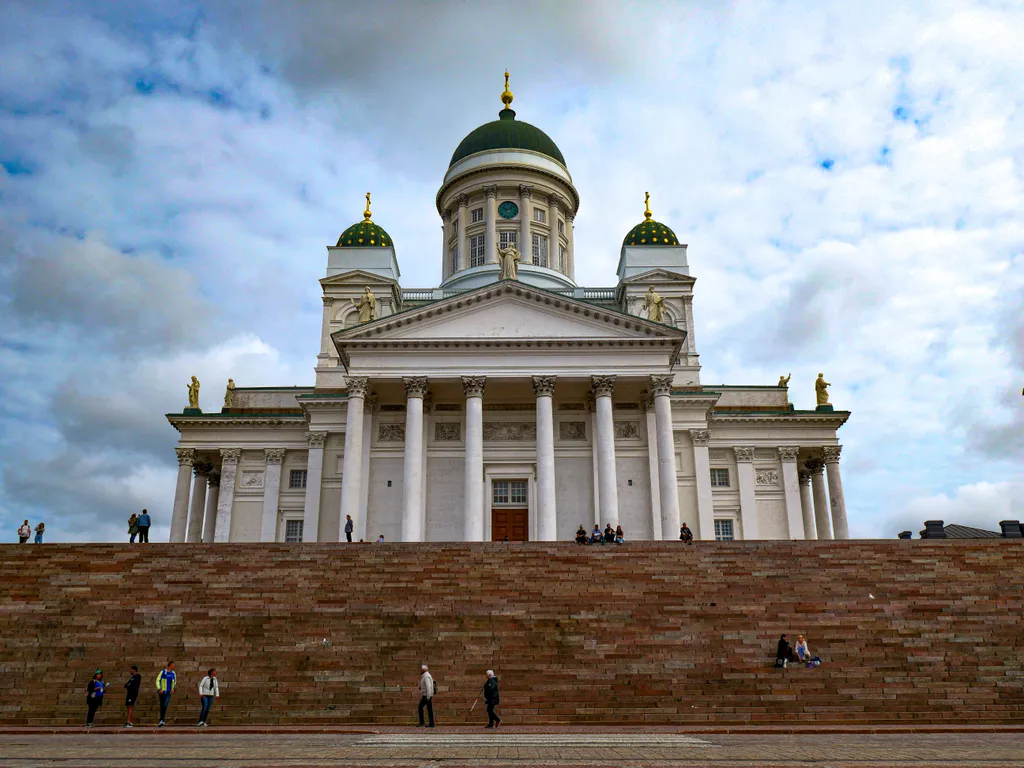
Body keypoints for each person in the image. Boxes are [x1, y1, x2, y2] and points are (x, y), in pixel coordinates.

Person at [156, 661, 176, 726]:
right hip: (162, 691)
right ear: (170, 665)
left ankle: (162, 719)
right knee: (162, 705)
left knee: (165, 705)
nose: (174, 666)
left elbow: (174, 682)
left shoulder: (173, 673)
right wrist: (159, 689)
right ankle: (162, 720)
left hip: (168, 692)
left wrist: (173, 689)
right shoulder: (163, 672)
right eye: (173, 665)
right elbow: (157, 680)